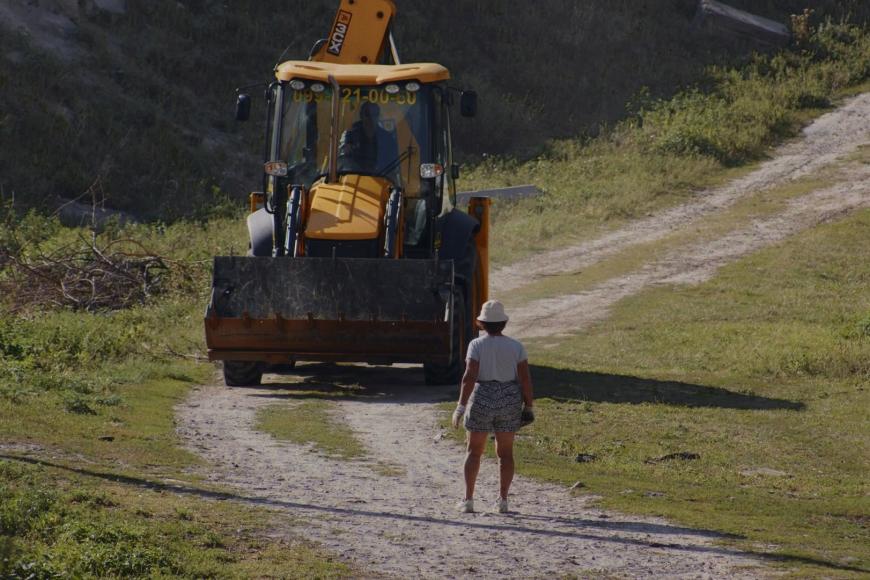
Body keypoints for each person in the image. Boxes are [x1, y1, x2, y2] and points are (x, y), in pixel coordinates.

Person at [451, 300, 535, 514]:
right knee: (505, 453)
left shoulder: (476, 345)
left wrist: (461, 406)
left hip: (482, 398)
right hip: (509, 398)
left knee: (474, 451)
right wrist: (529, 406)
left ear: (482, 323)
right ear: (503, 323)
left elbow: (469, 376)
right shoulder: (516, 346)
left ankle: (468, 499)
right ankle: (503, 500)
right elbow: (525, 379)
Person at [338, 102, 398, 175]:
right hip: (353, 176)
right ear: (361, 115)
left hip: (381, 177)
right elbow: (343, 159)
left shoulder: (387, 139)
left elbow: (392, 164)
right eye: (367, 114)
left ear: (378, 116)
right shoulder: (349, 134)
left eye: (374, 114)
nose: (371, 118)